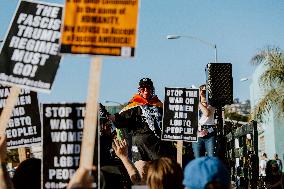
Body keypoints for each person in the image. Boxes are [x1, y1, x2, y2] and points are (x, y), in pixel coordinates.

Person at [110, 78, 174, 181]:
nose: (146, 91)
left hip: (157, 144)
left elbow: (171, 122)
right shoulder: (133, 105)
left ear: (152, 89)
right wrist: (109, 116)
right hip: (139, 145)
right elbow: (119, 120)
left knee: (161, 173)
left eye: (148, 88)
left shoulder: (160, 105)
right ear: (139, 90)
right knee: (141, 173)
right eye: (143, 88)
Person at [192, 84, 216, 158]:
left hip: (209, 133)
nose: (204, 93)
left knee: (211, 157)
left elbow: (207, 113)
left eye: (206, 91)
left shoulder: (211, 104)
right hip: (197, 133)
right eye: (202, 91)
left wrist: (198, 101)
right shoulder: (193, 104)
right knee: (198, 158)